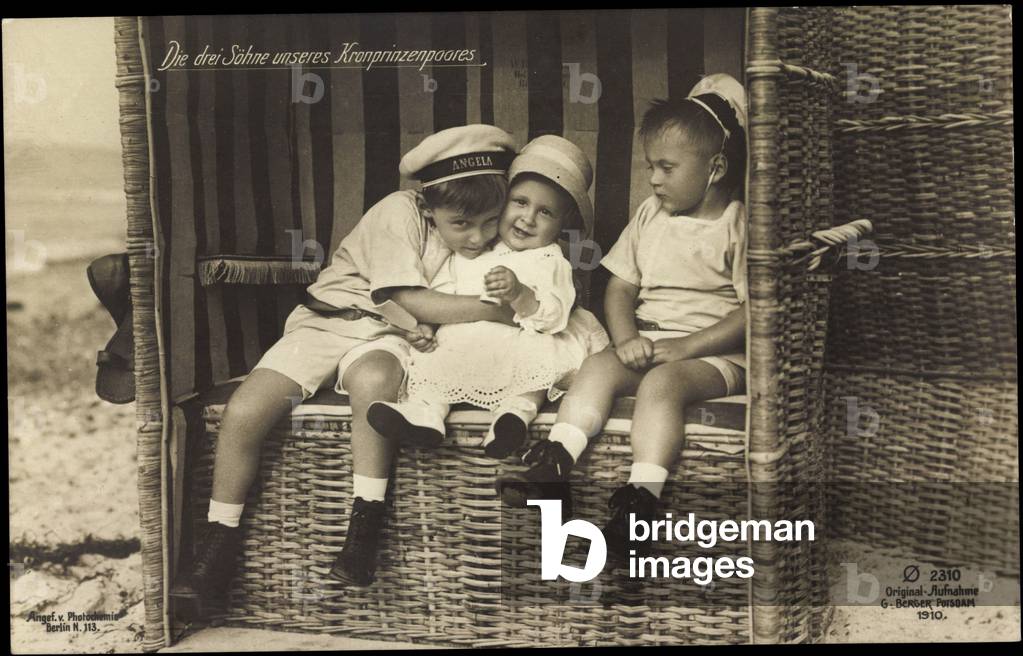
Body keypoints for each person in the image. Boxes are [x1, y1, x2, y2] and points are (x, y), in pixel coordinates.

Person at [170, 125, 519, 603]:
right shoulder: (398, 212)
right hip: (328, 322)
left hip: (389, 334)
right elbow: (412, 299)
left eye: (490, 221)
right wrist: (495, 310)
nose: (478, 237)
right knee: (247, 410)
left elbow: (423, 315)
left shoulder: (492, 236)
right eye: (462, 223)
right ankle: (219, 540)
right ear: (427, 203)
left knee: (375, 383)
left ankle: (364, 530)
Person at [497, 74, 750, 557]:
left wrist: (688, 347)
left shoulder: (736, 224)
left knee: (662, 385)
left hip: (714, 355)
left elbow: (754, 310)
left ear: (715, 168)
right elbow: (620, 286)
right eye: (651, 166)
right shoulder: (650, 215)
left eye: (666, 167)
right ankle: (557, 463)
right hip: (650, 342)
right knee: (596, 367)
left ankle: (642, 502)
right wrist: (626, 336)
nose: (653, 178)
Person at [367, 136, 609, 460]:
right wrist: (425, 327)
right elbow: (441, 294)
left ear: (563, 224)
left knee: (536, 365)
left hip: (524, 338)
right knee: (436, 363)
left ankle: (514, 416)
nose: (528, 218)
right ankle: (425, 414)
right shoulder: (474, 247)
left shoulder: (551, 259)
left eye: (545, 212)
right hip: (466, 340)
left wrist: (521, 294)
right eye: (520, 202)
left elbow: (554, 315)